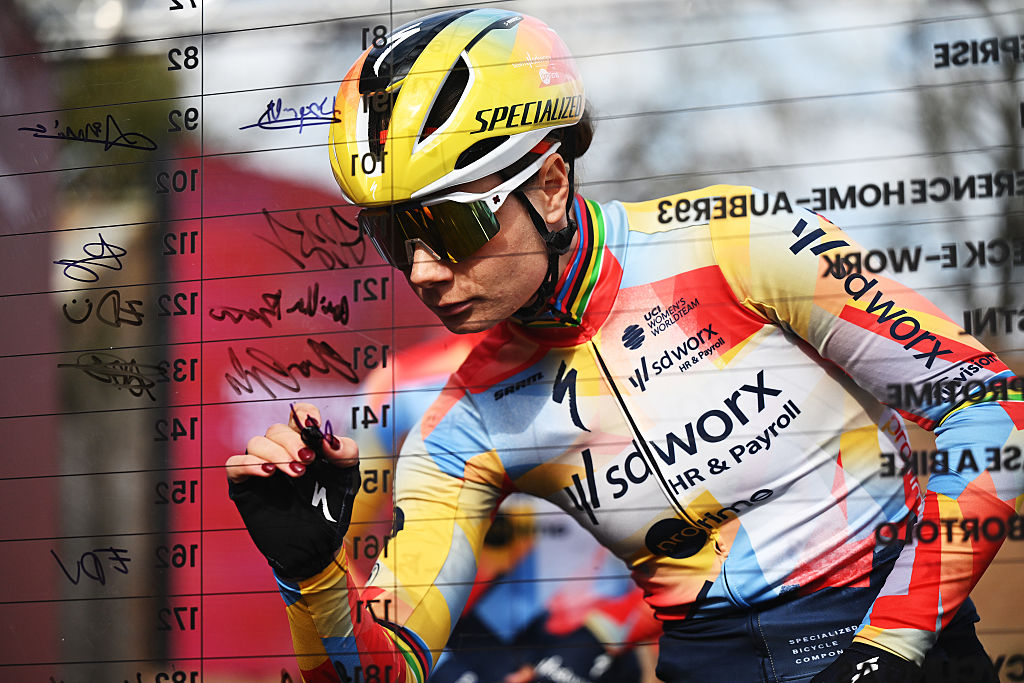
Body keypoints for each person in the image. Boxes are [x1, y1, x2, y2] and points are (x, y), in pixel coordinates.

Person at [225, 8, 1023, 683]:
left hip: (894, 629)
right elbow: (389, 670)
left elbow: (994, 406)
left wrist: (896, 641)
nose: (424, 270)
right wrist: (312, 576)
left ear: (549, 185)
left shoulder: (738, 244)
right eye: (394, 236)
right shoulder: (463, 424)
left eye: (451, 224)